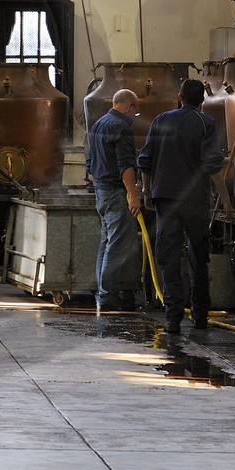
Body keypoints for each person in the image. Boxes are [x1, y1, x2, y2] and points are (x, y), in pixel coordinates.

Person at [140, 77, 225, 334]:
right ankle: (200, 316)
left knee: (169, 258)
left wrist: (146, 191)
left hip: (165, 198)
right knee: (198, 257)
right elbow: (212, 167)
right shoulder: (206, 123)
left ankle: (173, 318)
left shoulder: (160, 120)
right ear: (202, 100)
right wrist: (227, 200)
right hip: (196, 201)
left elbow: (145, 159)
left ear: (179, 96)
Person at [86, 88, 143, 313]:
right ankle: (108, 296)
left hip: (101, 191)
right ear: (130, 106)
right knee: (117, 246)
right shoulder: (121, 128)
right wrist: (134, 194)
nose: (134, 116)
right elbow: (126, 165)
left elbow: (90, 162)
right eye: (135, 112)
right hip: (116, 193)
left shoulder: (99, 124)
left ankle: (104, 290)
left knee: (106, 243)